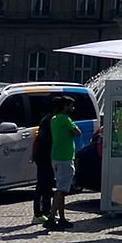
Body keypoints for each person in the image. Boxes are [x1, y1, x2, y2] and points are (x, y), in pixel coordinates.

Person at [43, 96, 80, 229]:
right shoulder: (65, 119)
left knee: (62, 188)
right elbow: (77, 132)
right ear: (65, 106)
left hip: (56, 156)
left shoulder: (54, 119)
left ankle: (62, 218)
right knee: (61, 189)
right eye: (71, 106)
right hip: (65, 157)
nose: (73, 108)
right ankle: (51, 218)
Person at [29, 100, 55, 227]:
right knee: (42, 185)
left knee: (48, 184)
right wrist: (34, 154)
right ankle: (38, 214)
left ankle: (46, 210)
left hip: (45, 155)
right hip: (44, 156)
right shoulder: (49, 120)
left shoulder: (48, 119)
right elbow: (39, 139)